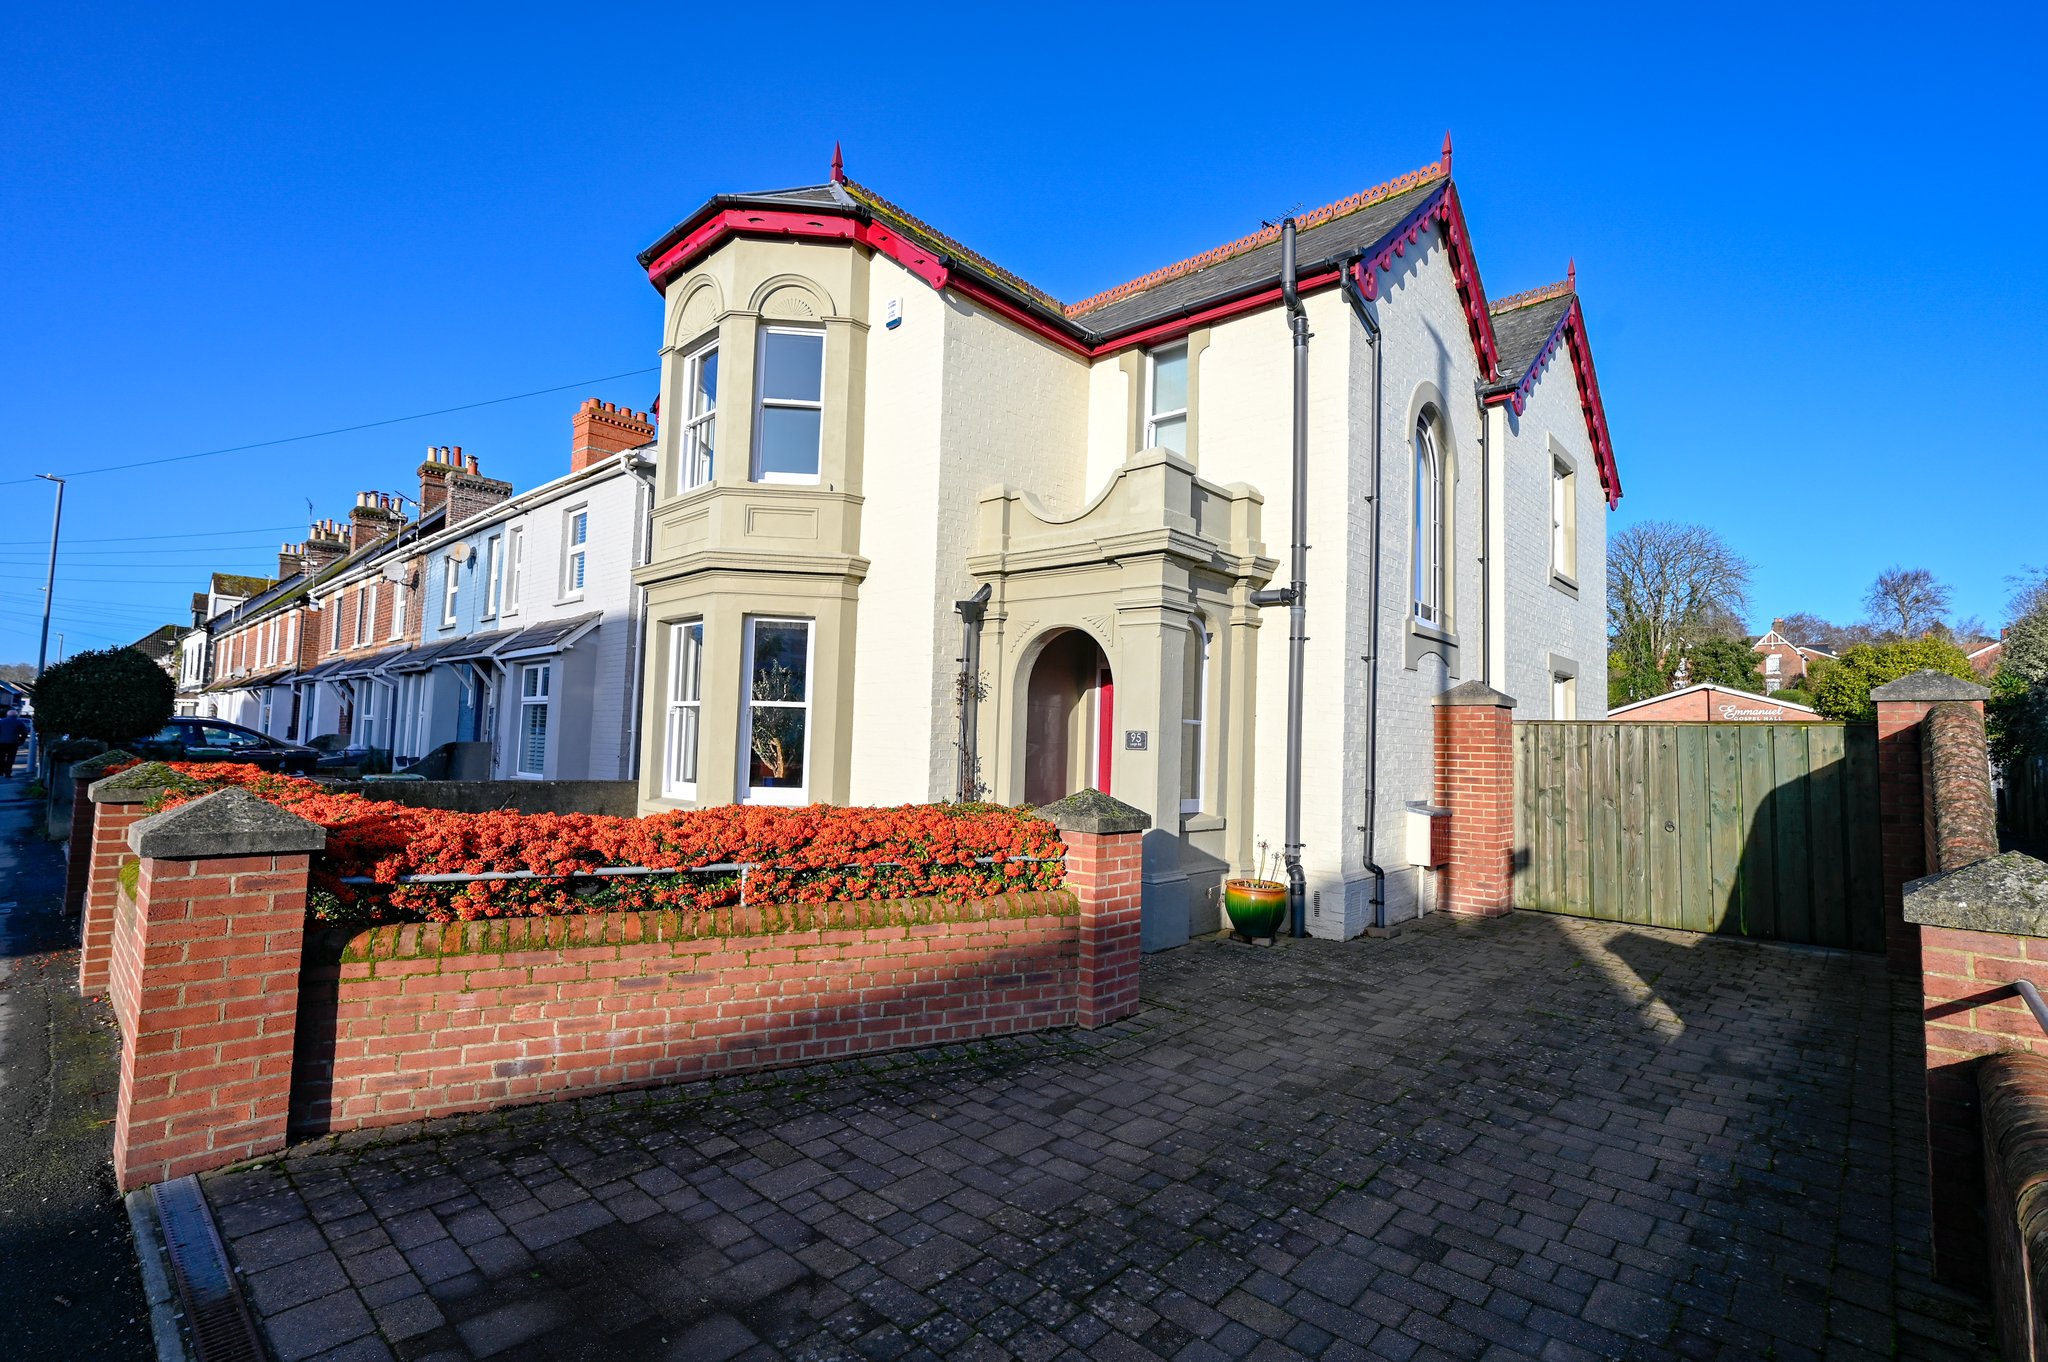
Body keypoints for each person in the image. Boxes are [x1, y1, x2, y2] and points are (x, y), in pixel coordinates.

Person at [0, 708, 25, 779]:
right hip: (13, 742)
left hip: (1, 742)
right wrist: (21, 741)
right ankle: (8, 773)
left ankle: (0, 772)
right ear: (16, 715)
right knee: (11, 758)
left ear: (7, 715)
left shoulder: (1, 722)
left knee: (1, 757)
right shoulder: (19, 722)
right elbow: (24, 733)